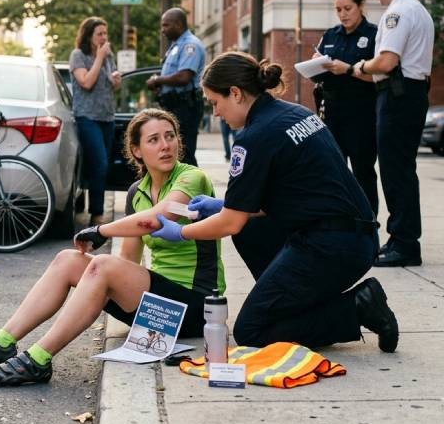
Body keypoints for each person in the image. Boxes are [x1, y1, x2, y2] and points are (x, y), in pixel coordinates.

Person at [150, 52, 399, 354]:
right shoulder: (296, 113)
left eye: (215, 102)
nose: (215, 113)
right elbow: (291, 193)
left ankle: (357, 307)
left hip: (331, 248)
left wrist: (181, 233)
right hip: (357, 238)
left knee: (252, 329)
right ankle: (292, 304)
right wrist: (223, 205)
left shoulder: (253, 138)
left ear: (236, 93)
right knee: (250, 230)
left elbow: (231, 223)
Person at [0, 109, 225, 386]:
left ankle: (38, 359)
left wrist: (100, 231)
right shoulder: (137, 192)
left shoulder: (191, 177)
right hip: (160, 311)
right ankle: (2, 342)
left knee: (102, 265)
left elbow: (158, 217)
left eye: (170, 137)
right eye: (154, 139)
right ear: (137, 150)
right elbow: (128, 262)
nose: (166, 145)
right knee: (67, 260)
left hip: (198, 309)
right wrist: (98, 283)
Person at [352, 0, 434, 268]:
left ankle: (405, 244)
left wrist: (361, 66)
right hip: (411, 95)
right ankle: (401, 238)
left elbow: (386, 62)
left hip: (397, 97)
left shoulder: (397, 13)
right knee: (402, 170)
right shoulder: (420, 10)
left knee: (395, 172)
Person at [311, 0, 379, 217]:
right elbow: (317, 74)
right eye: (338, 9)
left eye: (347, 8)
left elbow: (380, 75)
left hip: (362, 113)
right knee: (334, 170)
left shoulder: (373, 35)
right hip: (332, 111)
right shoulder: (330, 35)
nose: (343, 14)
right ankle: (339, 221)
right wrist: (315, 65)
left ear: (361, 6)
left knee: (363, 172)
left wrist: (348, 68)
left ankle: (369, 224)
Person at [69, 17, 122, 225]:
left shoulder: (108, 57)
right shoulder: (78, 56)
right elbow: (86, 82)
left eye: (105, 33)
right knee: (98, 164)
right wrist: (100, 57)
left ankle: (89, 205)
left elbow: (112, 85)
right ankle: (97, 214)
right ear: (88, 35)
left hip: (107, 117)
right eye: (99, 34)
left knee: (102, 165)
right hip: (87, 117)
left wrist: (116, 80)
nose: (103, 38)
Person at [147, 8, 205, 166]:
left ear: (178, 25)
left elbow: (184, 77)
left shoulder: (190, 45)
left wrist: (158, 80)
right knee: (176, 155)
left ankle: (198, 190)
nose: (162, 30)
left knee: (184, 155)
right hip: (174, 106)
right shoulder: (175, 46)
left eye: (166, 25)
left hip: (185, 106)